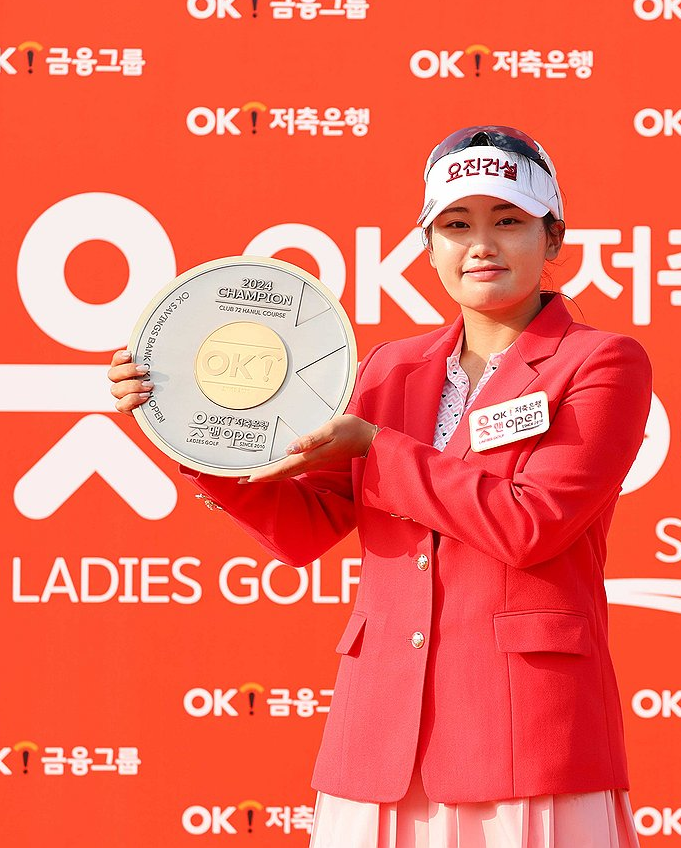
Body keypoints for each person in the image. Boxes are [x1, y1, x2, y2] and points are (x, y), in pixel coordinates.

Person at [109, 125, 652, 847]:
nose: (480, 246)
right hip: (378, 734)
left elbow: (532, 525)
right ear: (428, 246)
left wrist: (376, 446)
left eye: (508, 222)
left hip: (526, 732)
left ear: (553, 237)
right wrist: (194, 433)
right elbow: (307, 528)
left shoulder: (602, 362)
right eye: (455, 226)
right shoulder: (390, 368)